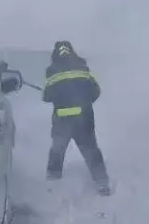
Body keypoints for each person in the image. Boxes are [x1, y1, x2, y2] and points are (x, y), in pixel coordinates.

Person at [42, 40, 111, 195]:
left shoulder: (51, 71)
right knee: (91, 150)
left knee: (57, 151)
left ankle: (52, 183)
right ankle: (102, 183)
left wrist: (59, 97)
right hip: (84, 119)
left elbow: (46, 97)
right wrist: (84, 102)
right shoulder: (83, 67)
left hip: (62, 121)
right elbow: (96, 92)